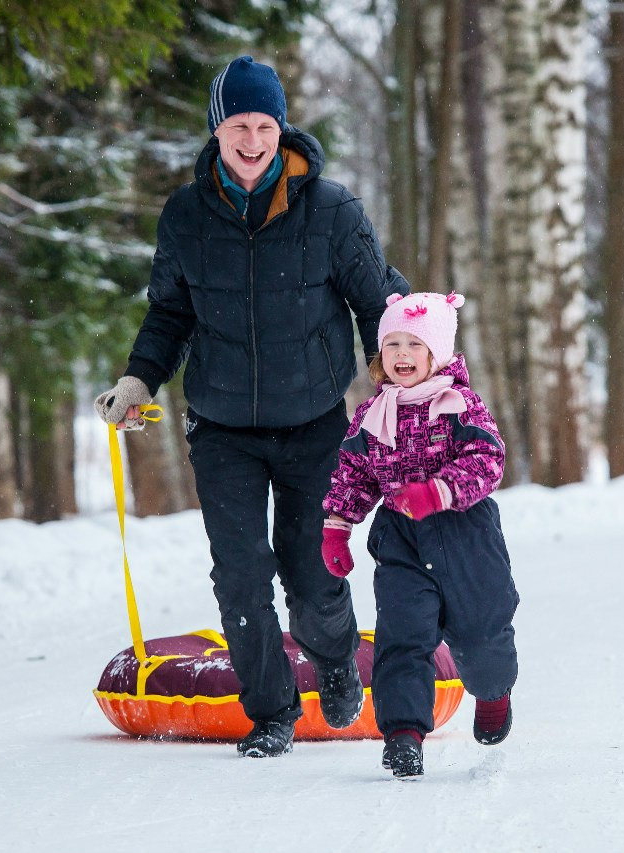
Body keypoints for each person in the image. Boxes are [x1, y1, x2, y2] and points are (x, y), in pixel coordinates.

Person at [95, 56, 409, 758]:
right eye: (240, 124)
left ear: (282, 128)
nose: (253, 139)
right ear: (218, 128)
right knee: (239, 573)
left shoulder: (331, 210)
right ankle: (270, 711)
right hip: (223, 428)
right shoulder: (184, 215)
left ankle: (332, 659)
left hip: (314, 423)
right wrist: (139, 381)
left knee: (310, 571)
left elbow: (379, 298)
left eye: (265, 125)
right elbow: (169, 315)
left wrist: (396, 367)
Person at [320, 291, 519, 778]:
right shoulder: (372, 414)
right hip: (401, 537)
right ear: (380, 355)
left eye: (415, 344)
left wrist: (441, 491)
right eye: (392, 345)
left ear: (438, 354)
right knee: (402, 638)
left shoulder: (460, 405)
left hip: (465, 533)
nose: (402, 355)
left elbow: (487, 461)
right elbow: (353, 474)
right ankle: (404, 734)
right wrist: (338, 529)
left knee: (482, 632)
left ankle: (493, 693)